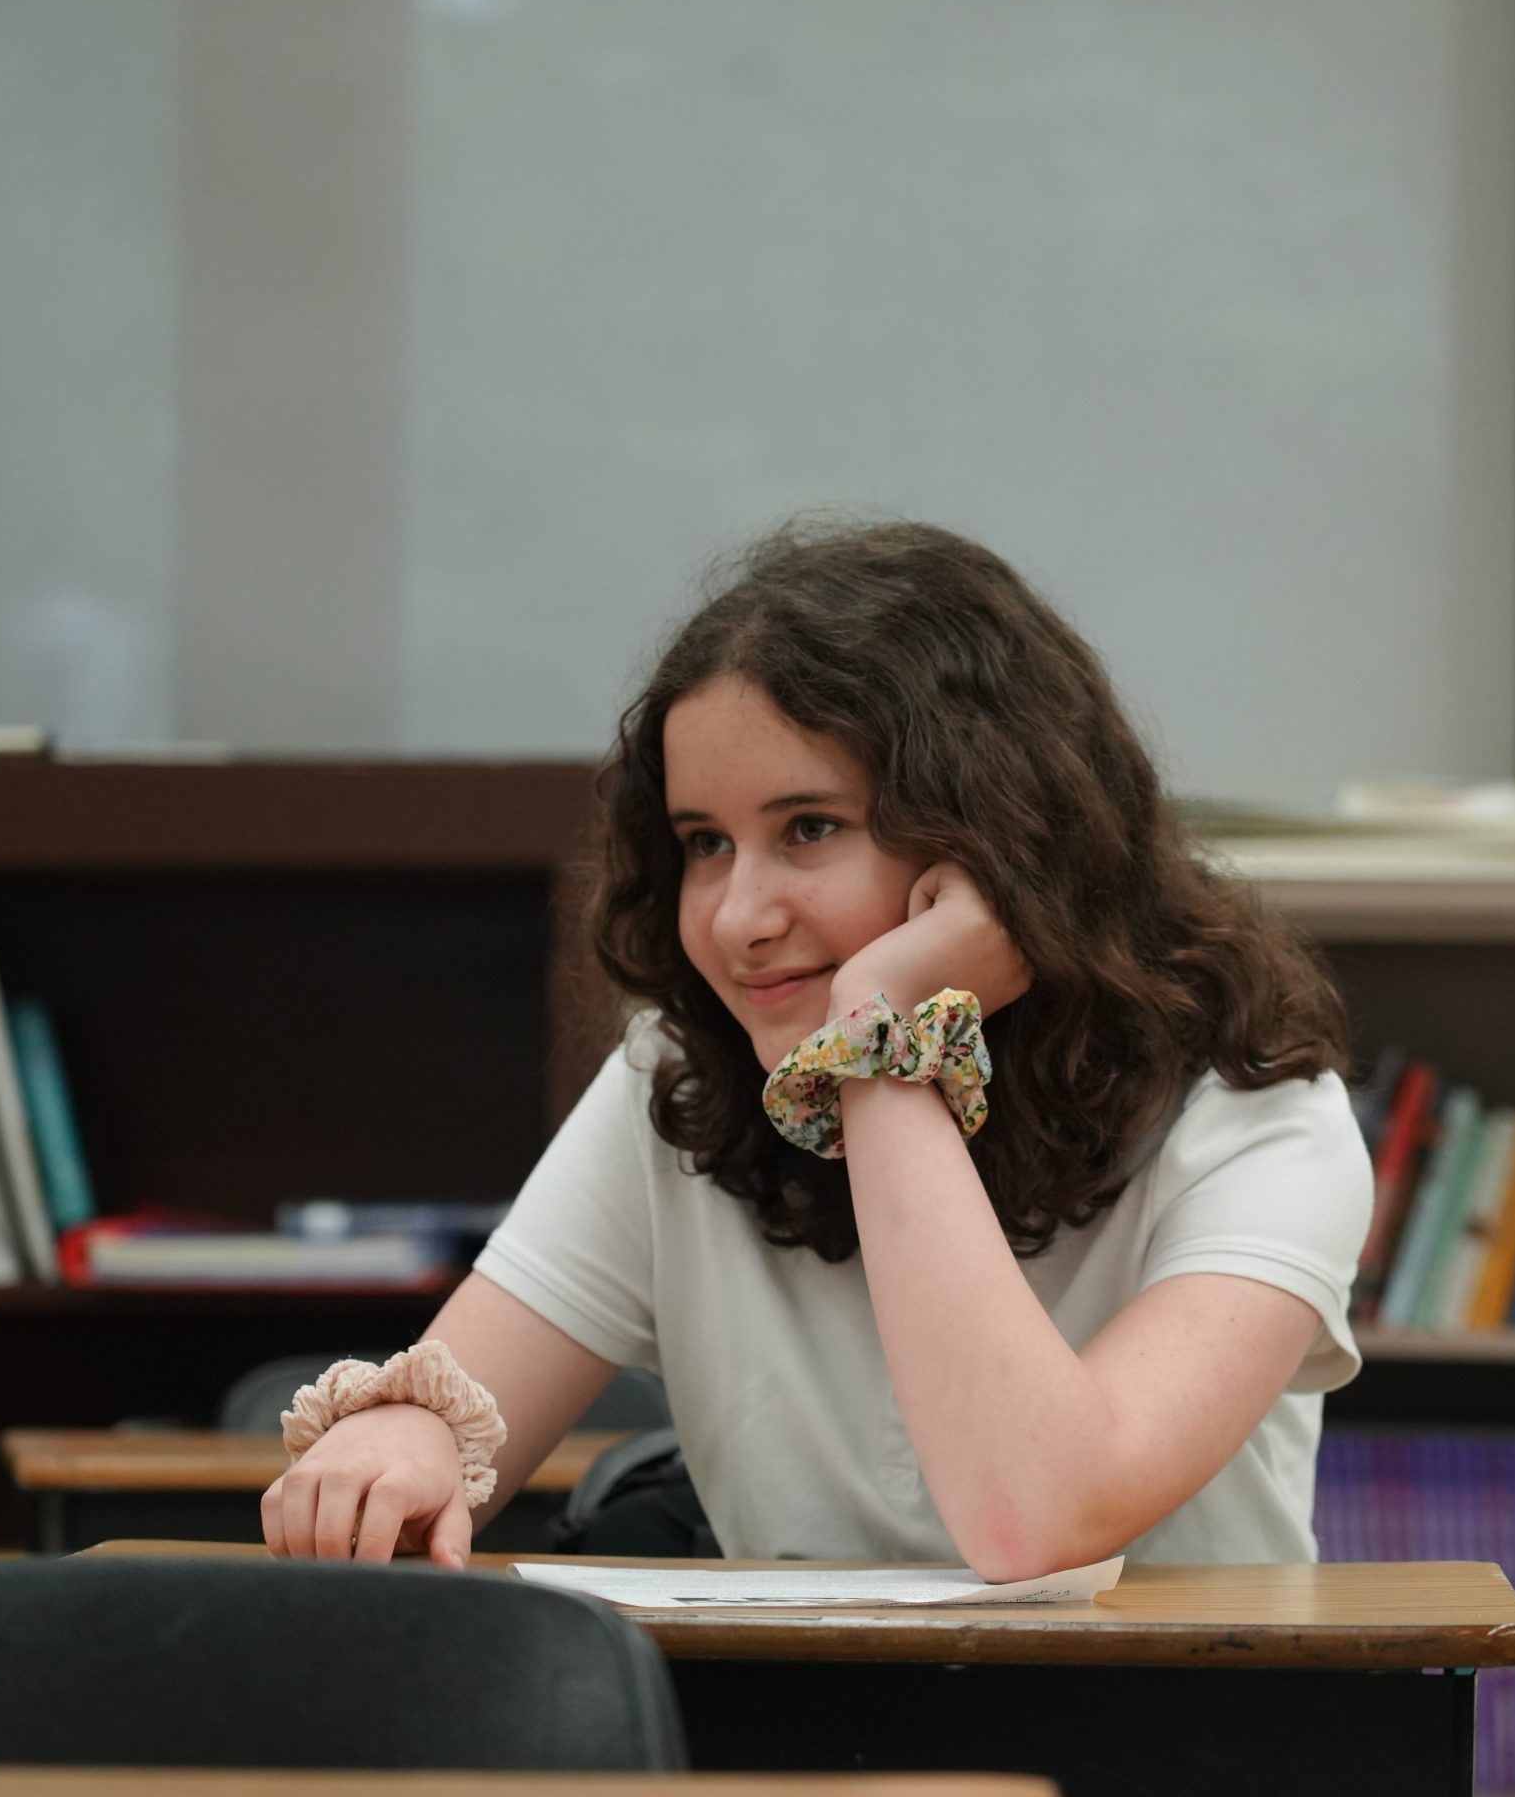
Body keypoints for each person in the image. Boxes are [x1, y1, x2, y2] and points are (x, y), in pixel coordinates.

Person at [262, 517, 1372, 1579]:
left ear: (994, 832)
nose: (740, 914)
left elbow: (1036, 1515)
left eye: (809, 828)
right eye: (704, 842)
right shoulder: (677, 1080)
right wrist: (405, 1447)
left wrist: (880, 1030)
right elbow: (461, 1407)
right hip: (795, 1750)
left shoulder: (1256, 1118)